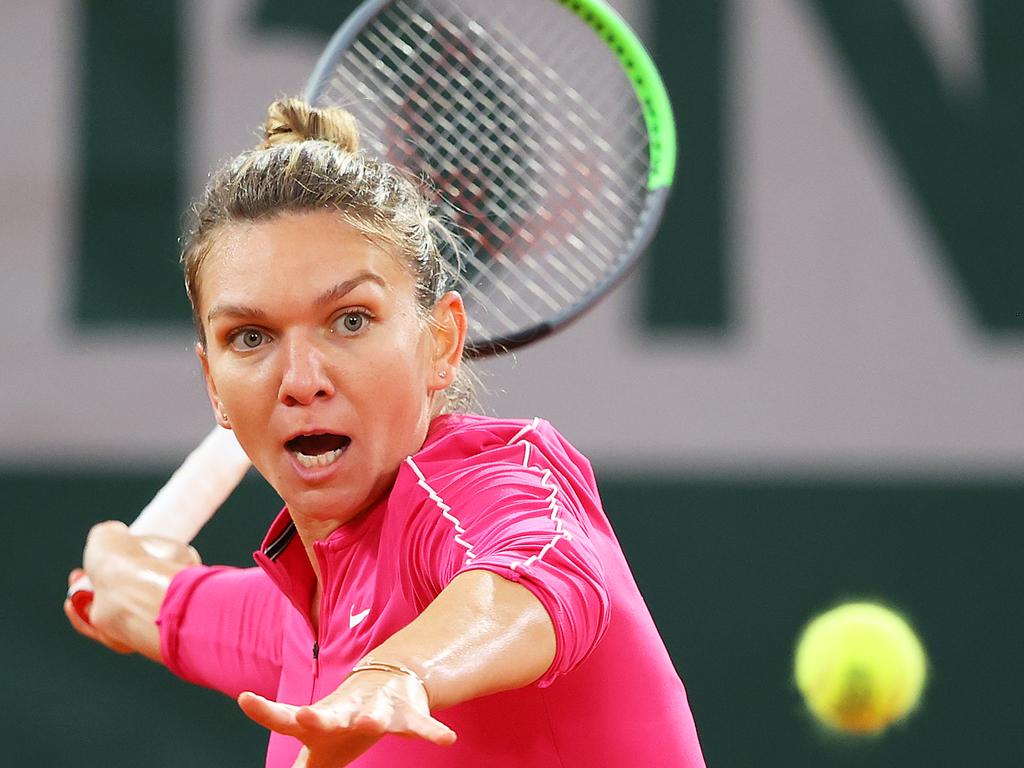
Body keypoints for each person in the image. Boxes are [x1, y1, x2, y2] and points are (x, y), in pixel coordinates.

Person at [64, 98, 706, 767]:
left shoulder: (492, 484)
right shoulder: (303, 619)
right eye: (250, 337)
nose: (301, 378)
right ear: (213, 385)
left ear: (442, 343)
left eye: (350, 320)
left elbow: (536, 571)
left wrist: (394, 674)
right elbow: (167, 610)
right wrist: (119, 585)